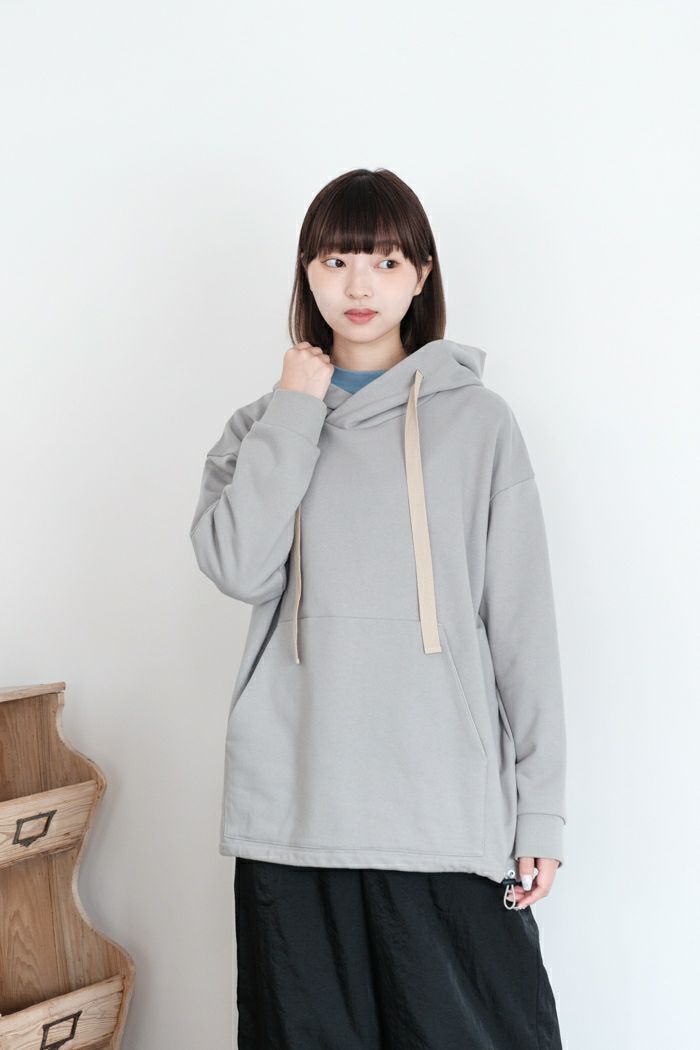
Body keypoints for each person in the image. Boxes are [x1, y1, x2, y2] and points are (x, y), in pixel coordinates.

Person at [190, 167, 567, 1048]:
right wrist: (295, 411)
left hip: (443, 812)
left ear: (422, 275)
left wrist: (540, 810)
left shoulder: (479, 425)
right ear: (307, 273)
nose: (359, 285)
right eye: (336, 261)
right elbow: (238, 568)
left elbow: (523, 630)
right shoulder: (261, 426)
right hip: (296, 813)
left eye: (386, 261)